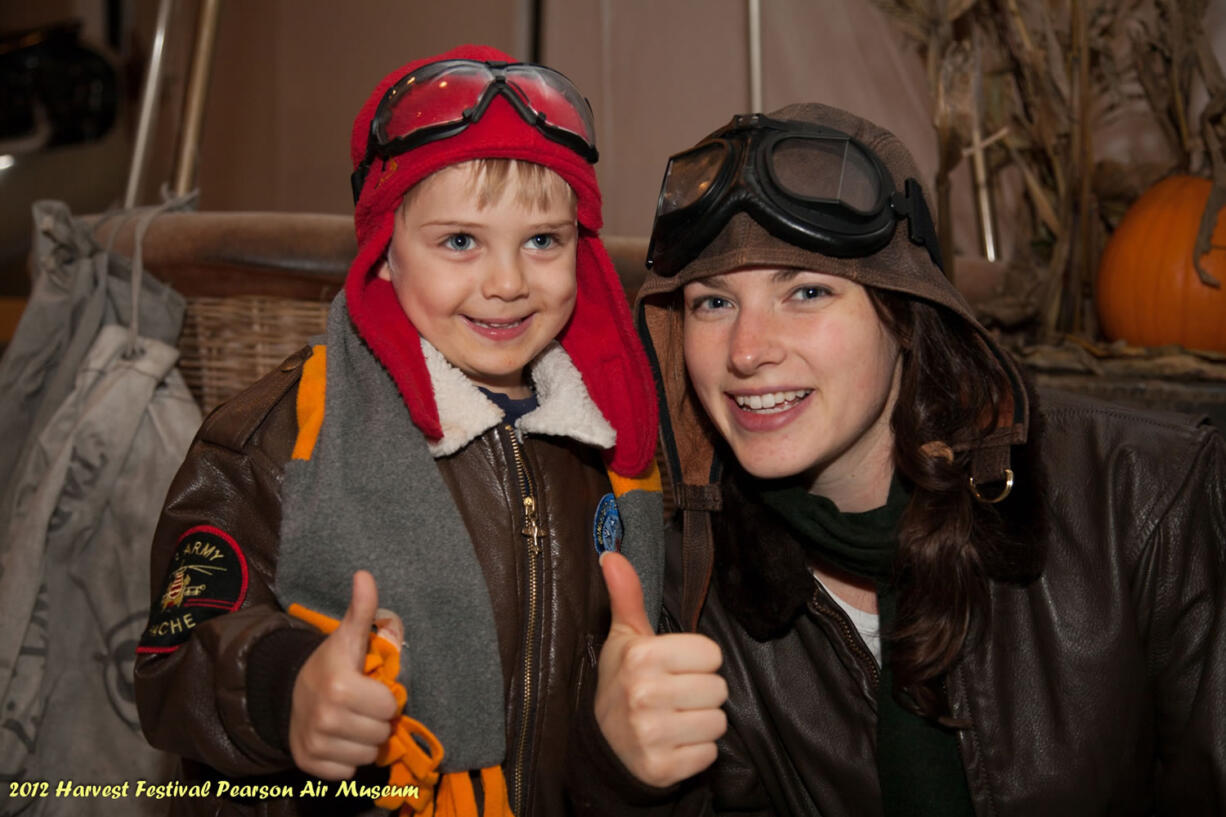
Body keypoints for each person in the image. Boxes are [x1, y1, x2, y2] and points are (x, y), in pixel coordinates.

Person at [567, 103, 1226, 815]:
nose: (748, 350)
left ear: (905, 314)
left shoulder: (1142, 498)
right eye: (714, 302)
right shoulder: (691, 588)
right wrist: (622, 775)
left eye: (807, 290)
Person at [134, 43, 664, 817]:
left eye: (543, 241)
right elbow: (172, 660)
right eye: (459, 241)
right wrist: (288, 688)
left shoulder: (618, 449)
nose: (509, 282)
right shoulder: (280, 434)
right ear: (385, 255)